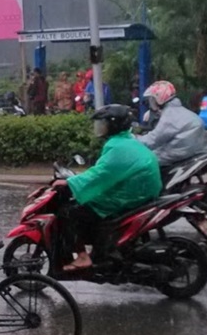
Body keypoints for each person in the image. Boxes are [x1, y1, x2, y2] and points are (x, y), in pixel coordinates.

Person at [54, 105, 162, 271]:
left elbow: (100, 174)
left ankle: (83, 257)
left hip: (130, 195)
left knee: (69, 212)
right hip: (140, 192)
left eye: (103, 123)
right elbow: (104, 171)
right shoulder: (125, 141)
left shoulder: (118, 147)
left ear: (114, 125)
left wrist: (70, 182)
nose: (100, 127)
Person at [138, 81, 205, 166]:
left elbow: (153, 140)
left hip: (175, 154)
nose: (151, 104)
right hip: (189, 152)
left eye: (152, 99)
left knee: (141, 162)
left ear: (159, 98)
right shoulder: (178, 111)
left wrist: (132, 141)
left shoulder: (170, 115)